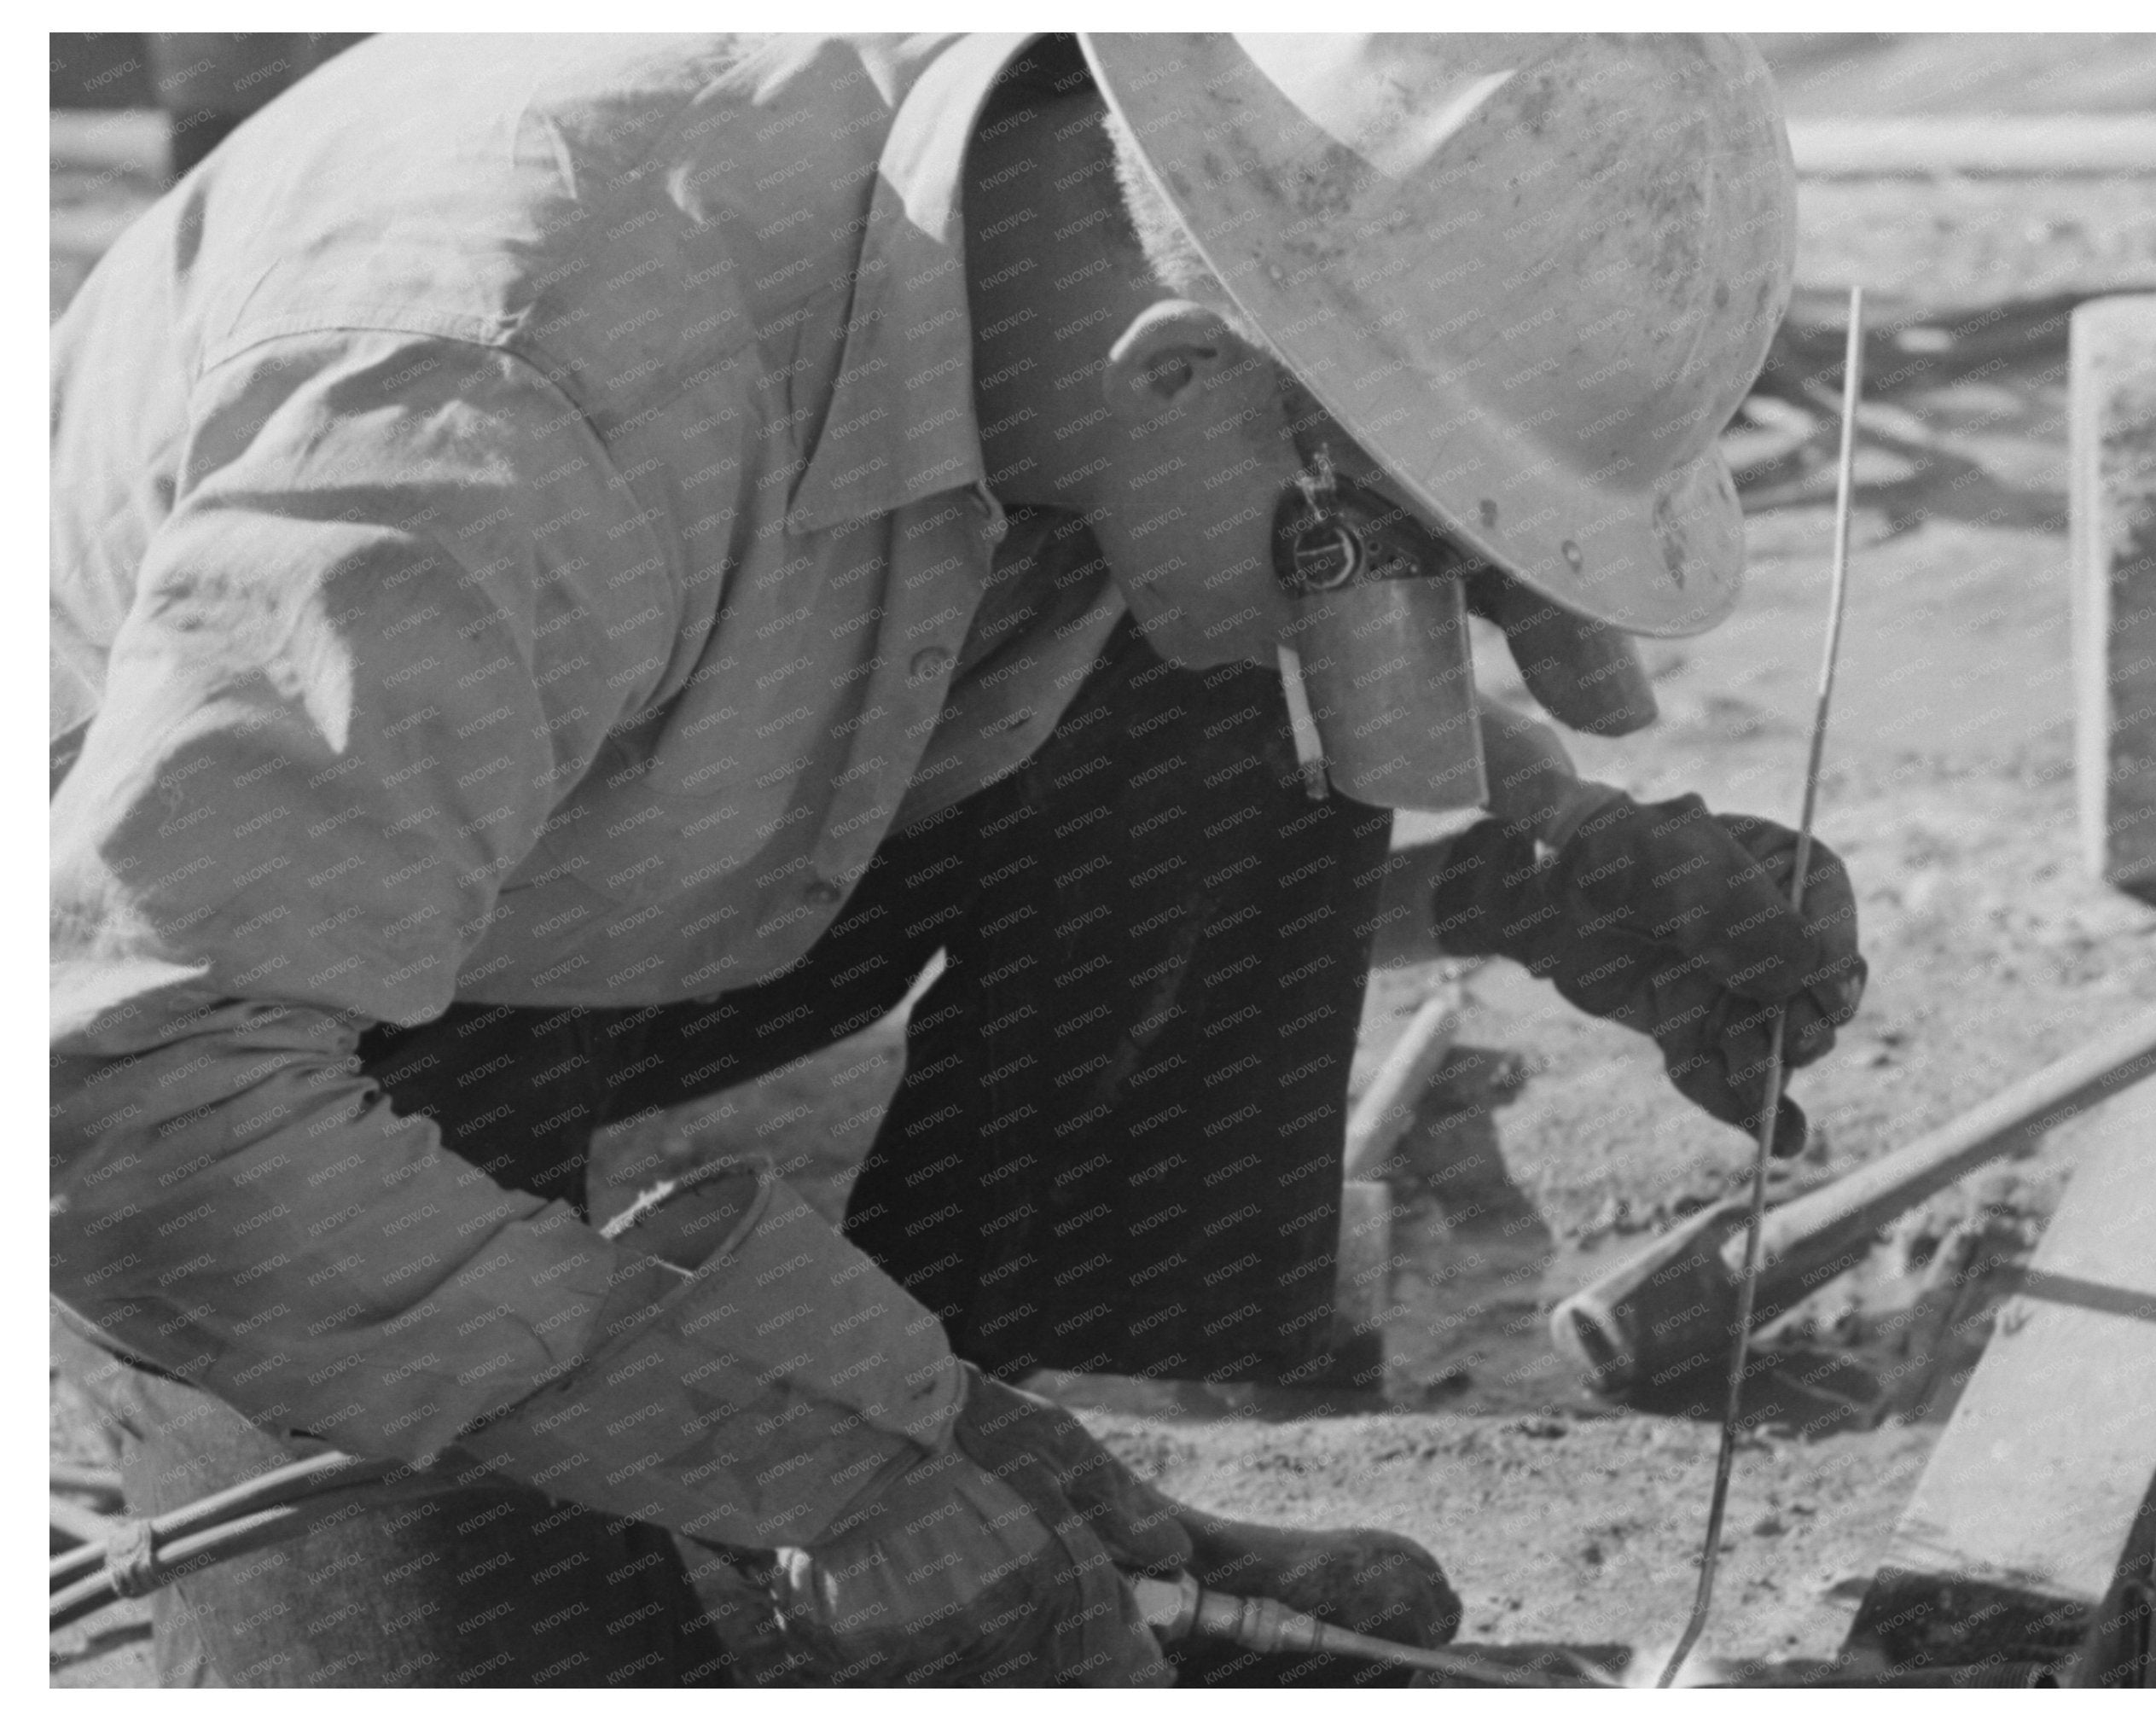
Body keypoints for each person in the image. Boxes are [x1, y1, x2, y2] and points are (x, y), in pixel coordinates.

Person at [49, 32, 1863, 1686]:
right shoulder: (503, 398)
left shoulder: (1063, 236)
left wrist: (1532, 873)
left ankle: (1075, 1481)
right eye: (1444, 551)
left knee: (1230, 636)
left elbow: (1134, 727)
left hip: (599, 847)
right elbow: (127, 1101)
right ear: (1187, 369)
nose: (1451, 618)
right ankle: (873, 1496)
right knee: (545, 1663)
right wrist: (807, 1466)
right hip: (246, 1017)